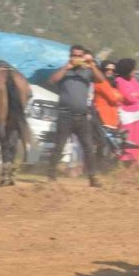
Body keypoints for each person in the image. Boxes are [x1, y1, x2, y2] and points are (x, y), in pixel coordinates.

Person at [47, 44, 103, 187]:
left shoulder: (87, 72)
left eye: (79, 55)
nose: (76, 58)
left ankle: (93, 177)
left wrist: (92, 65)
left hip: (82, 116)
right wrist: (67, 67)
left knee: (88, 147)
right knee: (59, 146)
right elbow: (52, 80)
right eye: (74, 55)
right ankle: (51, 175)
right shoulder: (65, 69)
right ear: (70, 56)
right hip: (65, 115)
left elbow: (101, 79)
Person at [113, 58, 139, 169]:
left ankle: (134, 161)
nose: (135, 71)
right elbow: (128, 97)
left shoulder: (133, 79)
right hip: (126, 115)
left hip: (136, 114)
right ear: (127, 70)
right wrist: (135, 96)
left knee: (136, 140)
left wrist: (134, 95)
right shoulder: (119, 81)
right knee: (127, 140)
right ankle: (125, 163)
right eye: (133, 69)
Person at [90, 54, 122, 128]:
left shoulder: (114, 83)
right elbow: (113, 98)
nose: (110, 72)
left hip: (113, 118)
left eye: (112, 70)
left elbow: (121, 98)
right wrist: (117, 96)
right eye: (107, 69)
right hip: (103, 118)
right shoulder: (100, 82)